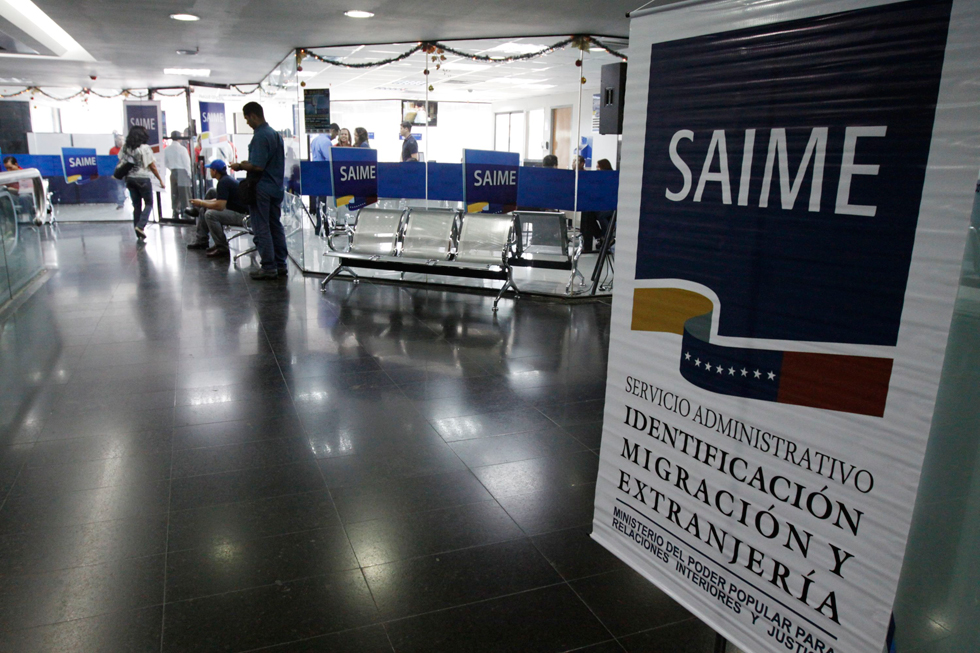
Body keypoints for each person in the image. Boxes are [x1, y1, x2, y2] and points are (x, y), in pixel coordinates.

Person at [231, 102, 287, 280]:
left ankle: (269, 266)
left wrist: (240, 165)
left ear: (253, 115)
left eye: (247, 118)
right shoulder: (275, 135)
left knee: (261, 226)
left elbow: (257, 166)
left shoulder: (260, 136)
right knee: (275, 226)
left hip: (262, 188)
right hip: (276, 187)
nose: (247, 122)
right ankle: (280, 264)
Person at [186, 160, 249, 258]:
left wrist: (201, 202)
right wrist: (202, 203)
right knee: (210, 196)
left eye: (210, 170)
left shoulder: (223, 183)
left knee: (210, 214)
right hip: (238, 210)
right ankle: (201, 238)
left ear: (214, 171)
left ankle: (222, 247)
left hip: (243, 216)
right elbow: (218, 200)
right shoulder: (226, 180)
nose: (209, 172)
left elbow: (220, 205)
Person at [119, 125, 165, 241]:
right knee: (149, 203)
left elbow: (121, 160)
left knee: (137, 206)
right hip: (143, 178)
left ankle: (138, 232)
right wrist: (160, 180)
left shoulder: (125, 147)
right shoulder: (145, 148)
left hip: (130, 179)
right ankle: (141, 226)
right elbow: (152, 166)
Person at [164, 131, 192, 218]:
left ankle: (175, 211)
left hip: (173, 172)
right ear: (180, 138)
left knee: (174, 193)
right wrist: (189, 174)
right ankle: (187, 213)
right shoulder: (182, 149)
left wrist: (172, 168)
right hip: (183, 172)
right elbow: (187, 163)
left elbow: (166, 163)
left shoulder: (167, 149)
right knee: (185, 194)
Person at [109, 133, 126, 210]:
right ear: (115, 140)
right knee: (119, 188)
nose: (121, 141)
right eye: (119, 139)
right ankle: (120, 203)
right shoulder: (112, 150)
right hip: (118, 172)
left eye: (122, 139)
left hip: (127, 172)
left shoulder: (126, 149)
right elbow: (111, 162)